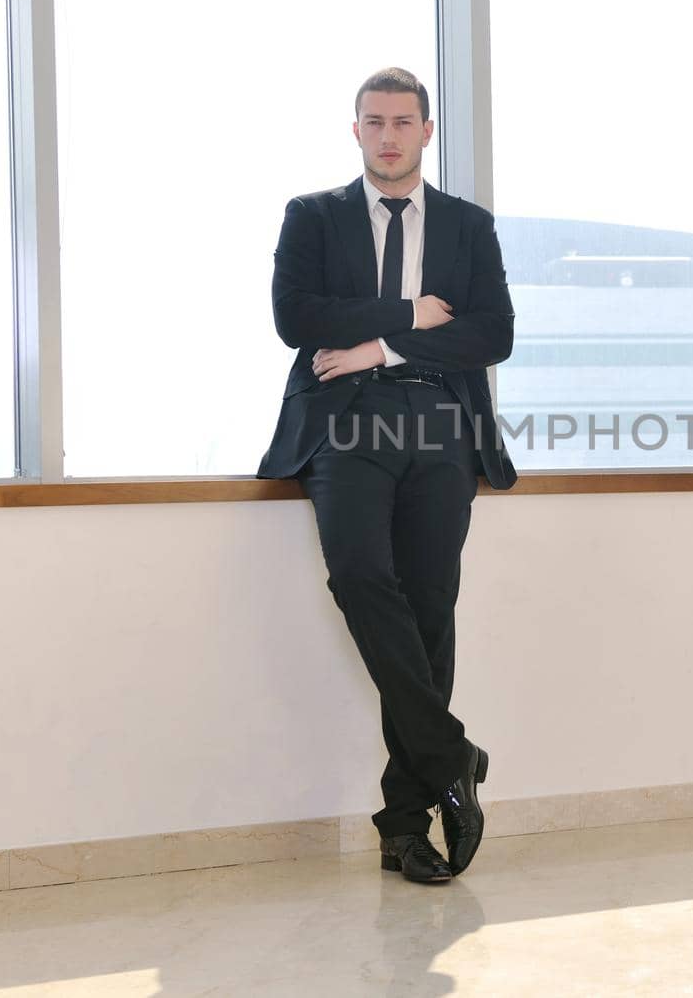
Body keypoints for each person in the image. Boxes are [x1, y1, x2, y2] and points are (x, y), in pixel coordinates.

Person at [257, 66, 518, 884]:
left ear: (427, 131)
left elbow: (492, 333)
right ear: (357, 129)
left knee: (430, 606)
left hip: (439, 418)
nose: (390, 135)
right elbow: (295, 319)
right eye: (375, 121)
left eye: (404, 121)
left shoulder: (468, 226)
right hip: (346, 423)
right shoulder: (314, 216)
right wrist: (409, 313)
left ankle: (405, 827)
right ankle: (451, 755)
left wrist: (382, 344)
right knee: (363, 578)